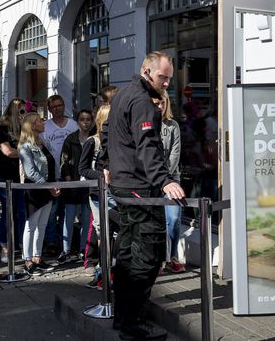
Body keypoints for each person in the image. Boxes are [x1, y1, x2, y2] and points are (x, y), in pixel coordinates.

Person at [103, 51, 185, 340]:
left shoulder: (123, 95)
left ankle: (123, 318)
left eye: (169, 79)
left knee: (126, 253)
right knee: (146, 256)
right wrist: (164, 180)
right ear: (147, 72)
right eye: (163, 78)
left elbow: (106, 130)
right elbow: (148, 146)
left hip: (124, 186)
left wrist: (105, 164)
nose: (166, 84)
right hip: (139, 188)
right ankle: (132, 323)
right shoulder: (141, 102)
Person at [79, 104, 116, 286]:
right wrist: (102, 175)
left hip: (116, 192)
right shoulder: (92, 141)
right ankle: (102, 272)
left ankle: (111, 270)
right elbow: (83, 168)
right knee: (103, 233)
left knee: (114, 233)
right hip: (97, 193)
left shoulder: (119, 140)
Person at [19, 112, 59, 274]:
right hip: (35, 190)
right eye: (40, 121)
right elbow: (30, 172)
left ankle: (37, 256)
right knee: (31, 225)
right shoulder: (25, 147)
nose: (43, 122)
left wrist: (54, 183)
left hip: (47, 188)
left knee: (42, 225)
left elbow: (51, 164)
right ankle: (27, 260)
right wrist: (48, 186)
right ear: (32, 125)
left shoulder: (43, 142)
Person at [41, 95, 78, 254]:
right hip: (52, 174)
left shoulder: (73, 124)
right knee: (52, 211)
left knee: (67, 210)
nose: (57, 108)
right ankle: (51, 242)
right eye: (53, 106)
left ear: (64, 105)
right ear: (49, 109)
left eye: (59, 105)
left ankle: (66, 243)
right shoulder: (45, 127)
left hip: (70, 174)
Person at [0, 98, 28, 263]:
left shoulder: (23, 127)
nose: (23, 113)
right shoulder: (1, 127)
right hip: (6, 175)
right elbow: (7, 151)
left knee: (22, 212)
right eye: (20, 110)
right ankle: (5, 246)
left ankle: (22, 245)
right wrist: (27, 151)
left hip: (22, 176)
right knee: (8, 212)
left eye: (24, 110)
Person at [58, 109, 93, 262]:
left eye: (88, 119)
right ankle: (65, 251)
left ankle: (82, 250)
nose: (85, 122)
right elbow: (64, 161)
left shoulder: (94, 139)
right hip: (72, 184)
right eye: (82, 119)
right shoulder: (70, 139)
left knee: (86, 220)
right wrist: (68, 180)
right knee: (69, 219)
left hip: (89, 185)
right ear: (77, 122)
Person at [156, 93, 184, 273]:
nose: (160, 106)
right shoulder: (145, 124)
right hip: (149, 181)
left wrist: (164, 178)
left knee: (173, 219)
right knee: (156, 222)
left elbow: (174, 154)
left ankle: (172, 255)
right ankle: (159, 259)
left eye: (163, 102)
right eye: (157, 102)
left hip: (171, 179)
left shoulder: (173, 126)